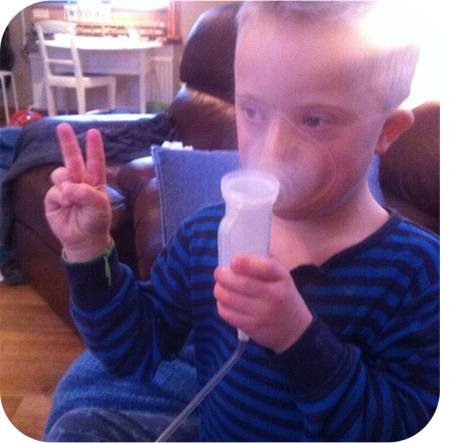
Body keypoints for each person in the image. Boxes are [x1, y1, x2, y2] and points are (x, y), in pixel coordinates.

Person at [43, 0, 439, 441]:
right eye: (252, 111)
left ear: (386, 131)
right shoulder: (205, 236)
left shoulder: (420, 273)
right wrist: (88, 252)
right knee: (79, 430)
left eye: (314, 120)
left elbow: (411, 429)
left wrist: (299, 339)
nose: (274, 148)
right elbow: (132, 349)